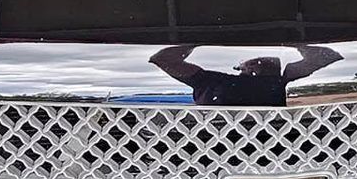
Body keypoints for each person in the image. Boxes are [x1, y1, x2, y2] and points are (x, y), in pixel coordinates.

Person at [147, 43, 343, 107]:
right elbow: (161, 59)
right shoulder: (213, 80)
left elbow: (329, 56)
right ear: (238, 67)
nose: (255, 62)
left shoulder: (287, 79)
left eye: (263, 60)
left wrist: (294, 41)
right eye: (249, 62)